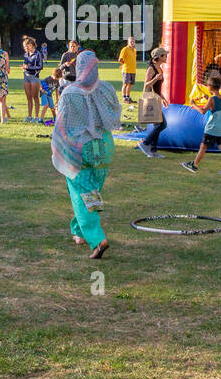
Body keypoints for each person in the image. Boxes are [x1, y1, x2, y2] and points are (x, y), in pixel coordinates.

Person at [51, 50, 121, 259]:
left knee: (82, 194)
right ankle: (79, 231)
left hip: (79, 149)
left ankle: (96, 239)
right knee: (91, 192)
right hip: (103, 148)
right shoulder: (107, 89)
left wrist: (60, 144)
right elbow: (115, 113)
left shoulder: (70, 92)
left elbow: (62, 121)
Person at [181, 74, 221, 175]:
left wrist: (193, 105)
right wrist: (208, 98)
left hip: (212, 128)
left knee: (203, 146)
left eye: (207, 85)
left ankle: (194, 165)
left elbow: (203, 111)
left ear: (210, 87)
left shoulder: (211, 99)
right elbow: (214, 106)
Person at [137, 47, 170, 158]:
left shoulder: (159, 67)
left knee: (158, 124)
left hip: (157, 98)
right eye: (165, 55)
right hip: (152, 99)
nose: (166, 57)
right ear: (159, 57)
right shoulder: (151, 68)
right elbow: (146, 85)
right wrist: (156, 78)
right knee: (162, 124)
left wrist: (163, 98)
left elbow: (157, 88)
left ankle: (153, 151)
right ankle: (145, 143)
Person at [22, 37, 44, 122]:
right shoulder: (26, 54)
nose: (25, 48)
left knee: (35, 97)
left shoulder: (38, 54)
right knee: (28, 97)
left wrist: (29, 67)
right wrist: (24, 67)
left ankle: (36, 116)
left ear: (31, 45)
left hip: (34, 77)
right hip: (26, 77)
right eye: (24, 47)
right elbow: (25, 63)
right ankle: (29, 116)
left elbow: (40, 66)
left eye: (26, 46)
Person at [118, 36, 138, 103]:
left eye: (133, 41)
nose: (132, 43)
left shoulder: (134, 50)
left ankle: (128, 97)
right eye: (131, 41)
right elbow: (120, 59)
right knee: (125, 84)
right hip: (126, 70)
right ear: (128, 42)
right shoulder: (125, 49)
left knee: (130, 84)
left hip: (133, 70)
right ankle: (124, 98)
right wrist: (123, 65)